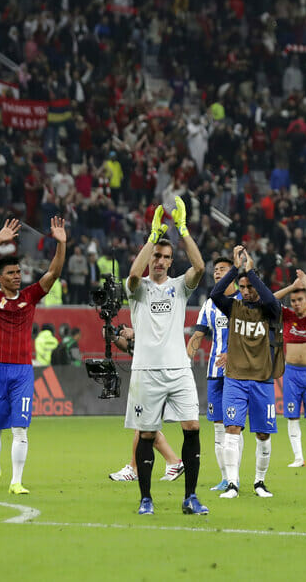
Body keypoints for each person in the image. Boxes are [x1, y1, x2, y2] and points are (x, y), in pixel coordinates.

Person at [124, 196, 207, 516]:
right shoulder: (139, 288)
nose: (159, 261)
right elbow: (132, 274)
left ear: (172, 260)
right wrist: (153, 235)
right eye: (156, 255)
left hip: (179, 369)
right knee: (146, 433)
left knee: (192, 427)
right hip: (147, 371)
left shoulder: (179, 286)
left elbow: (200, 267)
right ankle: (146, 498)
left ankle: (191, 497)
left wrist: (182, 230)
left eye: (165, 256)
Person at [0, 216, 66, 496]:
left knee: (20, 429)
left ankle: (16, 481)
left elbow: (52, 274)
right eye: (12, 273)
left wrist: (61, 244)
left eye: (19, 272)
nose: (18, 275)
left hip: (23, 372)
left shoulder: (30, 296)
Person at [210, 245, 284, 500]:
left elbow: (272, 300)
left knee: (263, 434)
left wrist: (251, 273)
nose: (245, 291)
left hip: (262, 380)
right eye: (241, 288)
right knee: (232, 429)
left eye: (249, 287)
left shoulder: (270, 310)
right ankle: (232, 483)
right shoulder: (233, 308)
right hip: (235, 379)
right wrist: (235, 268)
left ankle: (260, 482)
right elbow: (215, 292)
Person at [186, 256, 239, 491]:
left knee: (233, 426)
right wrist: (184, 358)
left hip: (238, 372)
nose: (217, 273)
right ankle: (225, 478)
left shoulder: (244, 300)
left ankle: (235, 478)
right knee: (218, 427)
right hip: (214, 372)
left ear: (233, 273)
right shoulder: (209, 304)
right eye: (215, 270)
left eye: (223, 269)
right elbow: (199, 333)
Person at [108, 325, 186, 484]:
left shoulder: (159, 316)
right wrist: (115, 337)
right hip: (149, 373)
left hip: (159, 375)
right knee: (146, 425)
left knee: (143, 424)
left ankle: (134, 468)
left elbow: (159, 336)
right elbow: (133, 349)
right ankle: (173, 462)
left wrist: (136, 332)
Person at [273, 270, 306, 468]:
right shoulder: (286, 316)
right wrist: (292, 287)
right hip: (291, 374)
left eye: (299, 299)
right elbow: (270, 300)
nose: (296, 303)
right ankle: (298, 457)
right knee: (291, 416)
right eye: (293, 300)